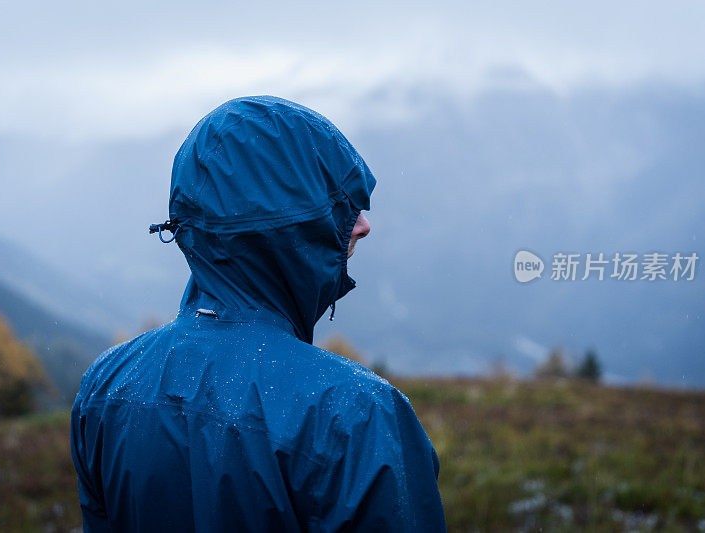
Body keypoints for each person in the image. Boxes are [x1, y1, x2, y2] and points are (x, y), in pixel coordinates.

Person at [70, 95, 446, 532]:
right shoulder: (355, 417)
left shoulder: (106, 387)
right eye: (340, 205)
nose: (364, 224)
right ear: (287, 227)